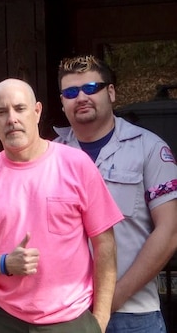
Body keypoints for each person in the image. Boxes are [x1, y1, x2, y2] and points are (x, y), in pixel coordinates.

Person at [0, 78, 122, 332]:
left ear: (37, 111)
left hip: (72, 320)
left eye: (20, 108)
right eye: (2, 112)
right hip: (7, 321)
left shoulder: (77, 165)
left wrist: (100, 320)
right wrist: (4, 263)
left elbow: (105, 243)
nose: (12, 119)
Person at [54, 55, 177, 333]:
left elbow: (169, 231)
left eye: (91, 88)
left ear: (110, 92)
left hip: (133, 313)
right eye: (71, 92)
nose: (81, 97)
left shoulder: (148, 148)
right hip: (66, 314)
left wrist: (113, 297)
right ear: (62, 103)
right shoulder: (52, 155)